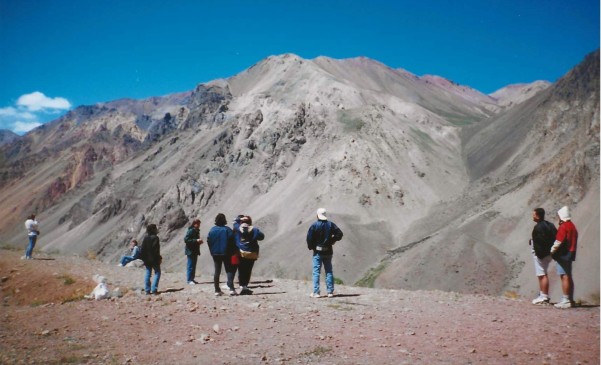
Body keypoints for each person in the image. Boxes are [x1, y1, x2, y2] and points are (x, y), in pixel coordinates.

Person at [306, 208, 343, 298]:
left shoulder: (314, 225)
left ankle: (316, 292)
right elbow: (339, 234)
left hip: (317, 252)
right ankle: (330, 292)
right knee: (329, 271)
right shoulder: (331, 225)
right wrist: (331, 241)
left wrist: (311, 247)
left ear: (317, 215)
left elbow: (309, 238)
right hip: (328, 251)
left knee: (316, 272)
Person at [550, 206, 578, 309]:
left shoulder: (564, 226)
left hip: (563, 254)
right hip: (571, 253)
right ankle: (570, 298)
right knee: (568, 275)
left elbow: (558, 241)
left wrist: (552, 251)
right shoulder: (572, 226)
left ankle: (565, 300)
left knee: (564, 276)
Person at [529, 208, 557, 305]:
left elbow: (541, 241)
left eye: (534, 214)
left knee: (542, 274)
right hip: (549, 253)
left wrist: (539, 253)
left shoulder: (539, 227)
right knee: (542, 273)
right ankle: (542, 294)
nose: (532, 216)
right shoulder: (550, 225)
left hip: (541, 254)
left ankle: (544, 296)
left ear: (537, 215)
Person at [207, 214, 237, 296]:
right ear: (224, 220)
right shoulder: (227, 230)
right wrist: (233, 252)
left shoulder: (212, 230)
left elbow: (209, 241)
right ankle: (231, 289)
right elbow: (232, 242)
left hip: (215, 253)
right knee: (229, 270)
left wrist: (212, 251)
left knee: (217, 271)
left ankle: (217, 290)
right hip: (226, 253)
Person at [233, 215, 264, 295]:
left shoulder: (237, 228)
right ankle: (245, 286)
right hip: (251, 253)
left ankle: (241, 285)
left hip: (241, 253)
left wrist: (239, 219)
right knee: (248, 270)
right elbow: (261, 237)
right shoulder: (255, 230)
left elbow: (234, 222)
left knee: (241, 269)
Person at [139, 224, 161, 295]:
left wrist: (143, 259)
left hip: (147, 259)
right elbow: (156, 250)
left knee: (148, 273)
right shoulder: (156, 238)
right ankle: (154, 289)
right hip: (154, 259)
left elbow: (142, 249)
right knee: (157, 272)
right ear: (153, 230)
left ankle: (147, 290)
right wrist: (159, 258)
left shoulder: (146, 238)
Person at [184, 219, 203, 285]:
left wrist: (198, 242)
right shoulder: (191, 230)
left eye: (199, 224)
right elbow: (186, 239)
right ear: (194, 224)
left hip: (194, 250)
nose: (199, 225)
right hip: (190, 251)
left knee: (193, 265)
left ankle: (192, 279)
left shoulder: (196, 231)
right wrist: (196, 240)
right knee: (190, 265)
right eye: (198, 224)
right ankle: (189, 280)